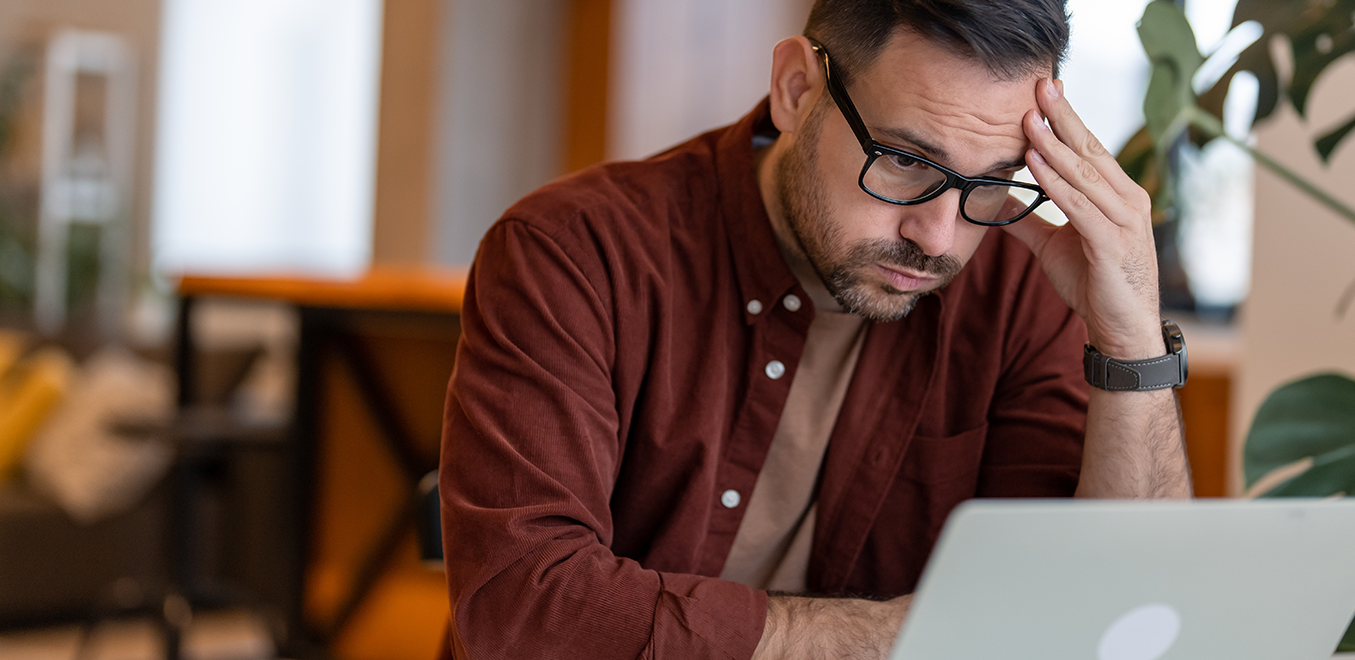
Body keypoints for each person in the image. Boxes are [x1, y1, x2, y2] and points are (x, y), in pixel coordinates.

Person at [438, 1, 1190, 657]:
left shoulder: (1017, 287)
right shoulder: (575, 254)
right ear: (797, 89)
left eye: (991, 181)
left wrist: (1129, 342)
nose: (940, 237)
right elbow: (523, 614)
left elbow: (1122, 620)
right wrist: (898, 638)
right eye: (904, 160)